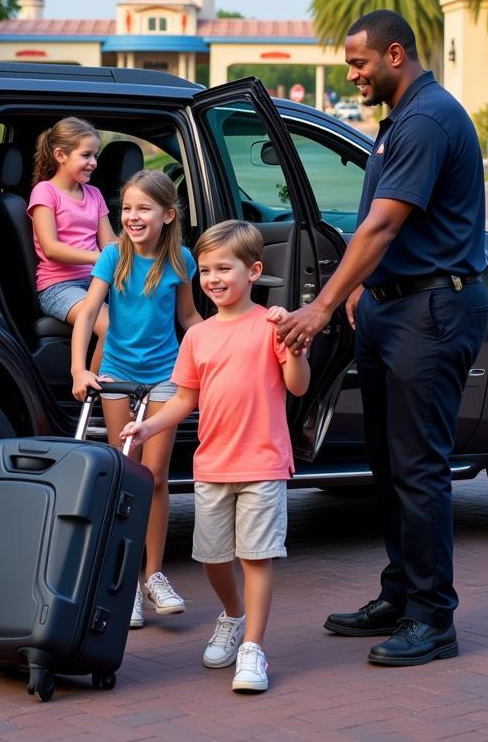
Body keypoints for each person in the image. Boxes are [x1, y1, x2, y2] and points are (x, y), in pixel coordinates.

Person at [275, 9, 488, 667]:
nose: (352, 74)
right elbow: (382, 229)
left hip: (431, 313)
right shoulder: (404, 119)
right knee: (391, 465)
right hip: (396, 307)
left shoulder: (426, 120)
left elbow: (381, 228)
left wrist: (322, 305)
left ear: (395, 54)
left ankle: (434, 620)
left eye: (358, 62)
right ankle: (400, 596)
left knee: (419, 469)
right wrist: (368, 289)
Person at [121, 220, 311, 693]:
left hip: (263, 462)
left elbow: (297, 386)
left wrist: (295, 346)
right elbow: (185, 401)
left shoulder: (271, 324)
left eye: (224, 268)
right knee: (211, 558)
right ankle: (232, 615)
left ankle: (253, 648)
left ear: (254, 271)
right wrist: (149, 424)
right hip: (213, 465)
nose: (213, 278)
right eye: (205, 270)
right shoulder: (197, 337)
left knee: (256, 557)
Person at [72, 170, 201, 629]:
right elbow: (89, 311)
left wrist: (226, 345)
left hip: (166, 378)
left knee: (156, 477)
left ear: (168, 215)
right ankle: (123, 583)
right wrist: (79, 368)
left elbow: (189, 318)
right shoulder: (113, 256)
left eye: (143, 208)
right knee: (125, 474)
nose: (132, 216)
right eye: (126, 208)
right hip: (118, 378)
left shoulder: (181, 259)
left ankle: (154, 575)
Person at [27, 117, 117, 372]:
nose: (94, 163)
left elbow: (109, 242)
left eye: (95, 155)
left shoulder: (94, 194)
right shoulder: (45, 192)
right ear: (60, 155)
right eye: (86, 155)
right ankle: (98, 395)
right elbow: (51, 248)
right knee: (111, 329)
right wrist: (97, 258)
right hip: (58, 287)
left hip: (96, 281)